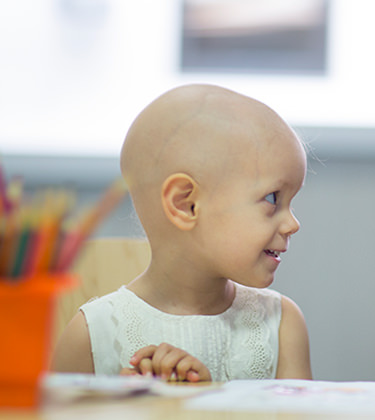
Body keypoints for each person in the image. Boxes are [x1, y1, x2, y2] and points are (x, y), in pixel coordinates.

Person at [51, 84, 312, 382]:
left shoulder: (281, 325)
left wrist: (206, 400)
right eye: (272, 199)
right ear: (186, 204)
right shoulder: (91, 335)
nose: (293, 224)